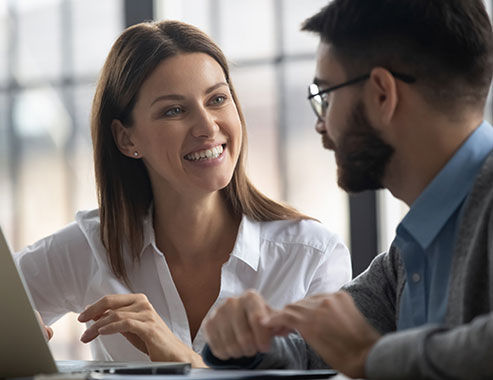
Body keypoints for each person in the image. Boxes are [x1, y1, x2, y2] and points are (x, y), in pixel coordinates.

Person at [15, 20, 351, 367]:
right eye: (173, 110)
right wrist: (18, 340)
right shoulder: (93, 247)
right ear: (127, 139)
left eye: (217, 99)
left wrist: (185, 363)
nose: (207, 126)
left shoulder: (312, 258)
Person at [202, 1, 493, 379]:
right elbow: (318, 349)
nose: (322, 126)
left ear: (382, 95)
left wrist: (369, 355)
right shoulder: (411, 250)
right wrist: (245, 343)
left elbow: (360, 350)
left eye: (326, 96)